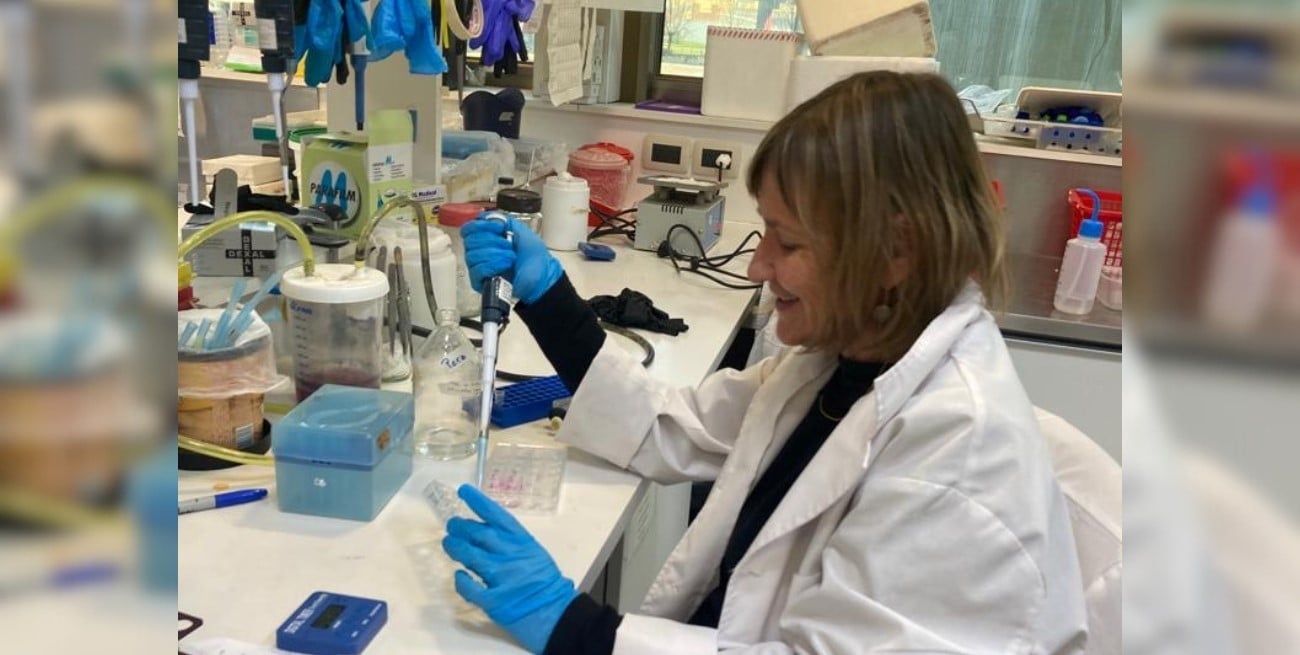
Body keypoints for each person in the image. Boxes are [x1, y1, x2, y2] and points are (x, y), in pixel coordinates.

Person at [441, 71, 1089, 655]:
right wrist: (549, 296)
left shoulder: (960, 457)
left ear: (897, 252)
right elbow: (670, 424)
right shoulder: (841, 365)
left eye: (789, 241)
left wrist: (576, 628)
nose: (756, 266)